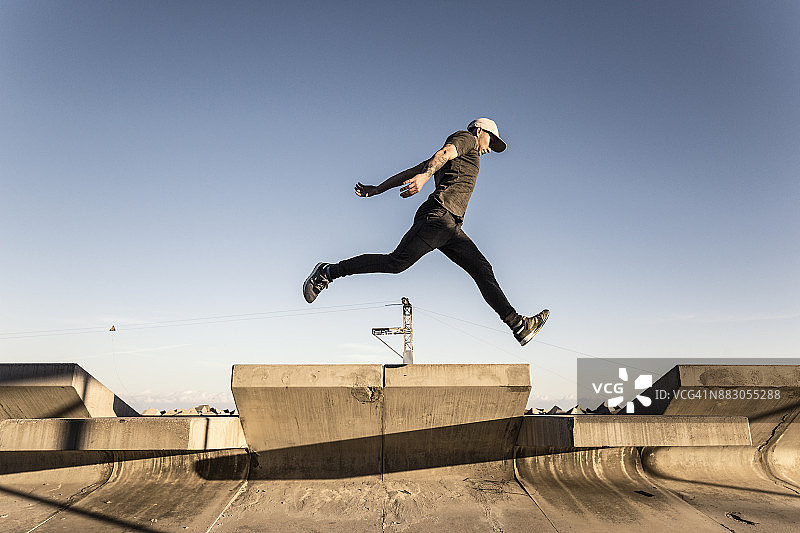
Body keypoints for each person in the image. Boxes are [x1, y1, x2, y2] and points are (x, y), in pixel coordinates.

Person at [302, 118, 548, 346]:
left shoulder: (463, 156)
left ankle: (519, 325)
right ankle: (328, 272)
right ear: (480, 131)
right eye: (491, 140)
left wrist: (379, 188)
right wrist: (425, 176)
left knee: (482, 269)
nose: (491, 148)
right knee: (396, 263)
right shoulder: (467, 139)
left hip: (451, 226)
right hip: (437, 217)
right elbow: (444, 153)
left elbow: (414, 169)